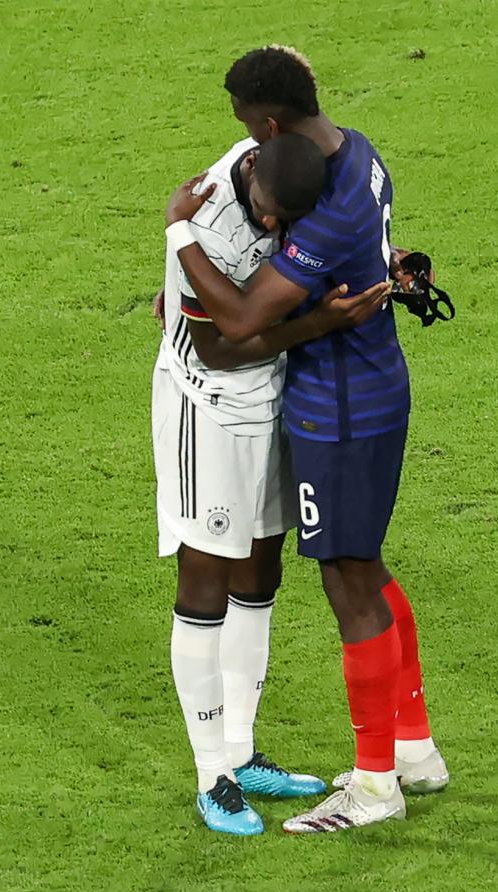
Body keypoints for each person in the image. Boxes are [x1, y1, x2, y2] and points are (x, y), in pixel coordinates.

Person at [164, 45, 449, 834]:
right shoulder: (356, 151)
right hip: (367, 392)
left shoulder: (329, 211)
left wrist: (178, 238)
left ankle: (372, 784)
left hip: (341, 410)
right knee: (366, 566)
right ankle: (415, 749)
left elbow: (245, 322)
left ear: (269, 123)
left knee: (348, 583)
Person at [154, 131, 389, 835]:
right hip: (211, 411)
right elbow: (219, 348)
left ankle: (242, 750)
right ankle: (211, 780)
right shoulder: (208, 223)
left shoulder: (295, 186)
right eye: (263, 211)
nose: (267, 225)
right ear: (248, 172)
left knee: (260, 574)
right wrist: (319, 322)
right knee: (206, 582)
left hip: (274, 402)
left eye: (280, 218)